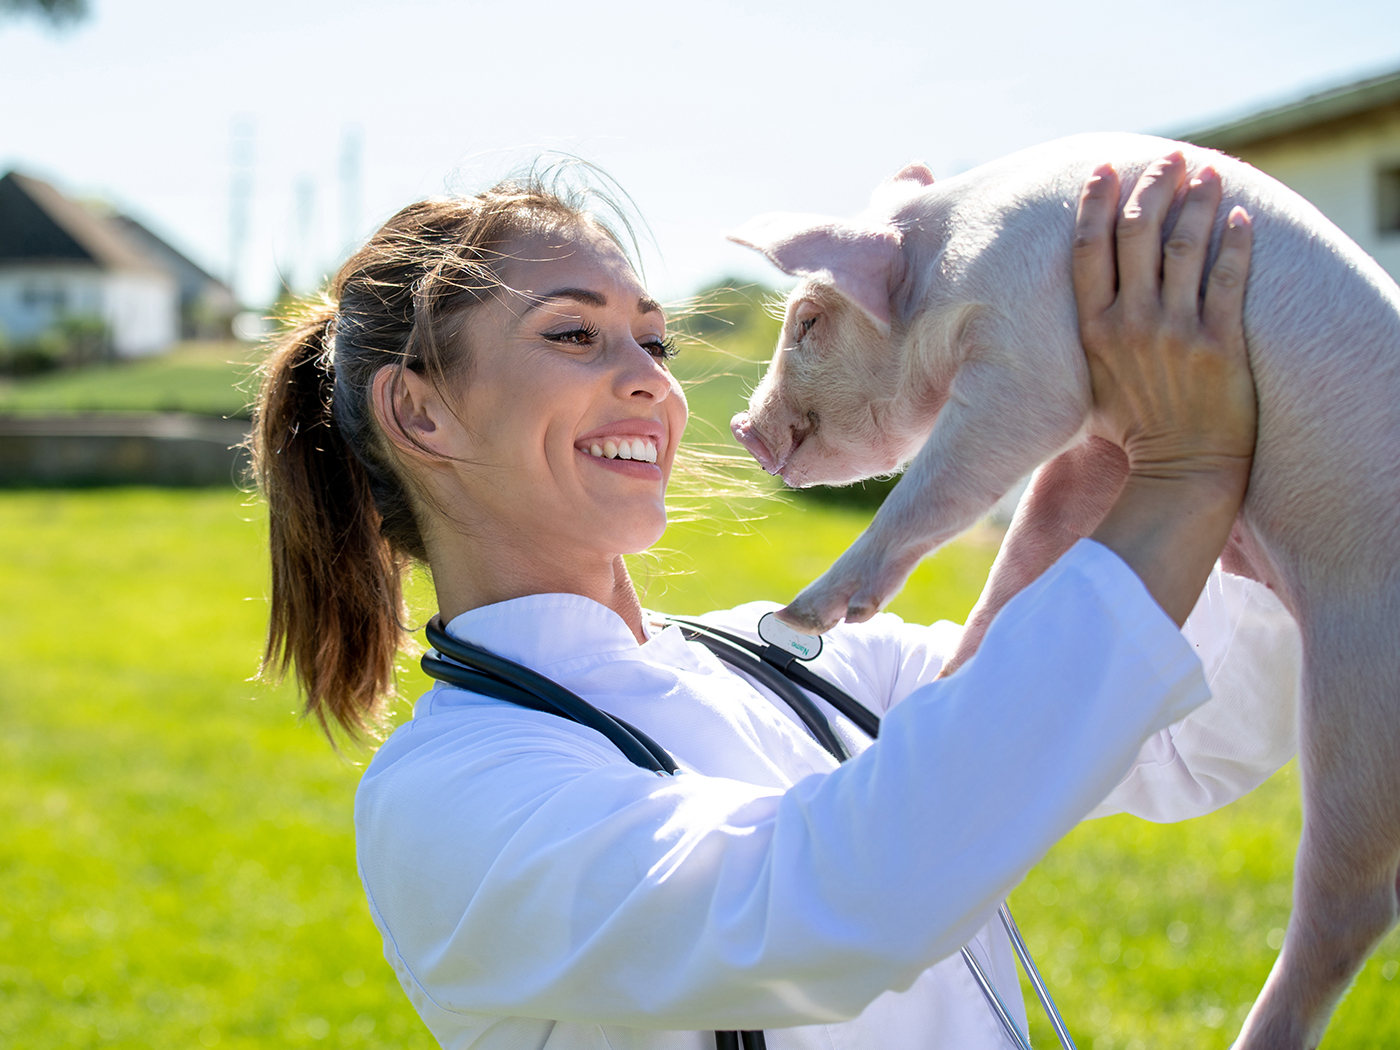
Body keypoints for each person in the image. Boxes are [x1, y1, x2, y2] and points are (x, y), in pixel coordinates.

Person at [252, 156, 1301, 1049]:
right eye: (575, 336)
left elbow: (1178, 740)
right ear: (420, 411)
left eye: (651, 341)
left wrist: (1285, 483)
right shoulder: (452, 793)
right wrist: (1185, 473)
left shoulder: (796, 658)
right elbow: (830, 903)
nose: (652, 385)